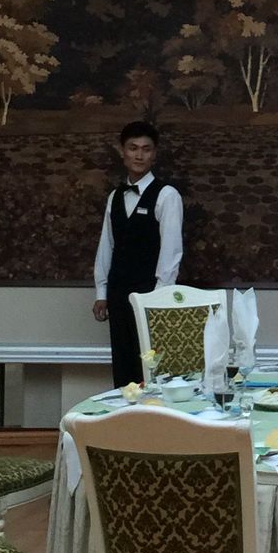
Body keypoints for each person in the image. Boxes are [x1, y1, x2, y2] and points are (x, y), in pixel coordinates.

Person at [93, 120, 184, 386]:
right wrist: (101, 292)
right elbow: (106, 245)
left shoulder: (167, 196)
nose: (139, 155)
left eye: (146, 149)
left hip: (150, 293)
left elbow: (171, 251)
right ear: (122, 152)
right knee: (123, 367)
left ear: (154, 154)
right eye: (133, 148)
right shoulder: (115, 196)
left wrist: (158, 298)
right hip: (119, 292)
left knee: (150, 367)